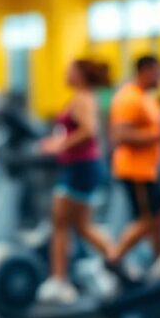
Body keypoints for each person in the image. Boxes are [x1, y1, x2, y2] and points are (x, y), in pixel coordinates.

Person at [36, 60, 115, 305]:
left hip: (80, 166)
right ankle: (118, 262)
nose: (65, 74)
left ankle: (60, 281)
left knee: (61, 221)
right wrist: (56, 143)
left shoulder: (82, 98)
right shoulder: (82, 97)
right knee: (80, 225)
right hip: (79, 165)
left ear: (81, 74)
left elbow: (89, 130)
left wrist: (59, 145)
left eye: (70, 70)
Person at [106, 55, 160, 270]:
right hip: (135, 170)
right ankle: (112, 259)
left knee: (159, 217)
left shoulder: (146, 97)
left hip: (148, 170)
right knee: (148, 220)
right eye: (157, 72)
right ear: (145, 71)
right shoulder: (129, 97)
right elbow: (120, 135)